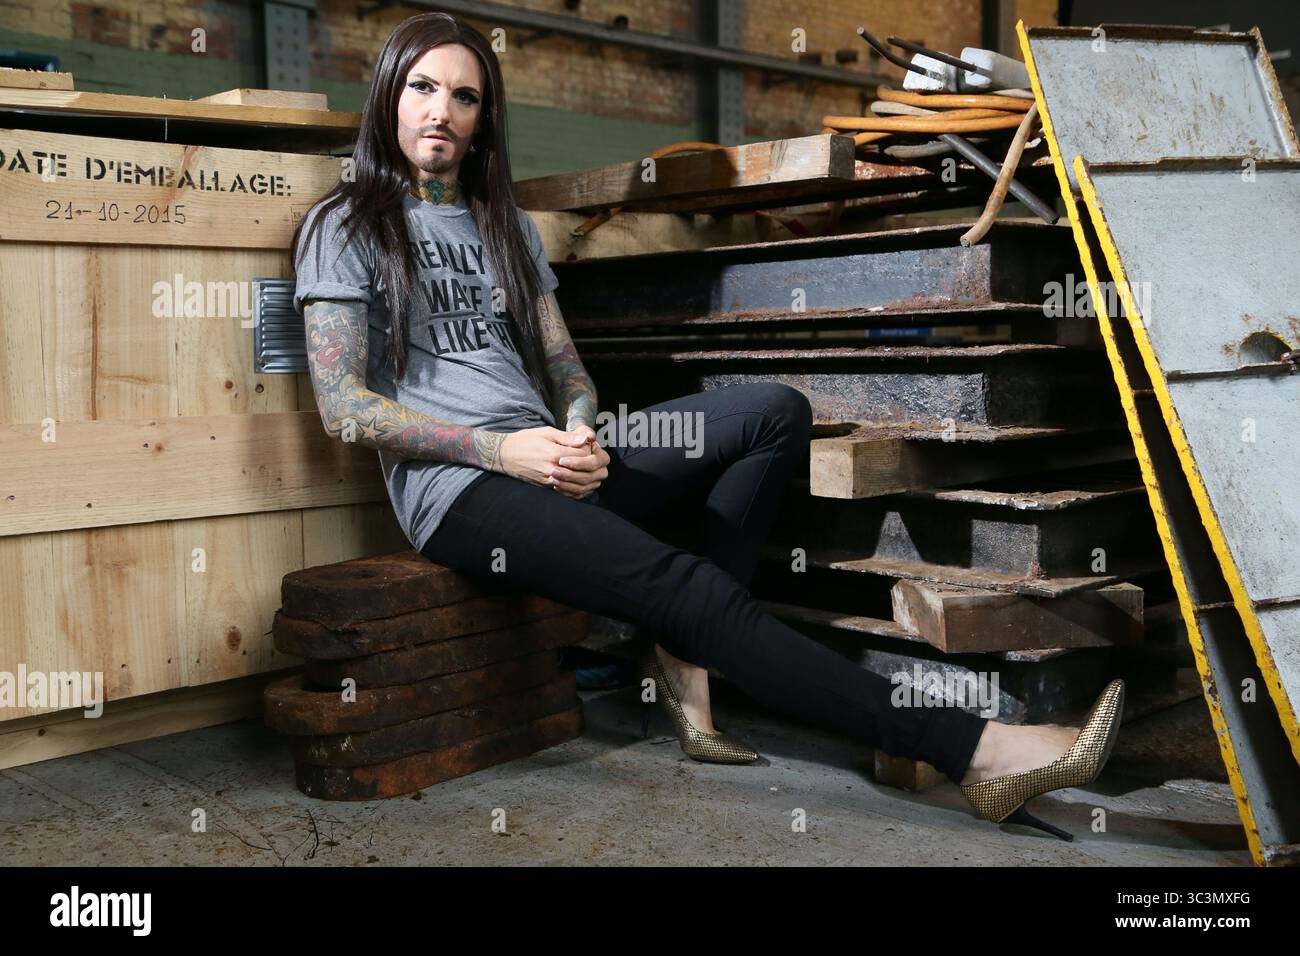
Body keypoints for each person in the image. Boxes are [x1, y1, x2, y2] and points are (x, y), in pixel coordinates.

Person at [291, 11, 1124, 839]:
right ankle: (973, 751)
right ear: (390, 97)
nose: (440, 110)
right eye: (423, 87)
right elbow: (345, 409)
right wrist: (503, 450)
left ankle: (687, 651)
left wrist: (579, 426)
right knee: (686, 586)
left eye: (464, 96)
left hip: (554, 461)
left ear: (482, 119)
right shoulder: (347, 226)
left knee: (770, 412)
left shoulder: (501, 225)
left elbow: (565, 368)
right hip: (465, 492)